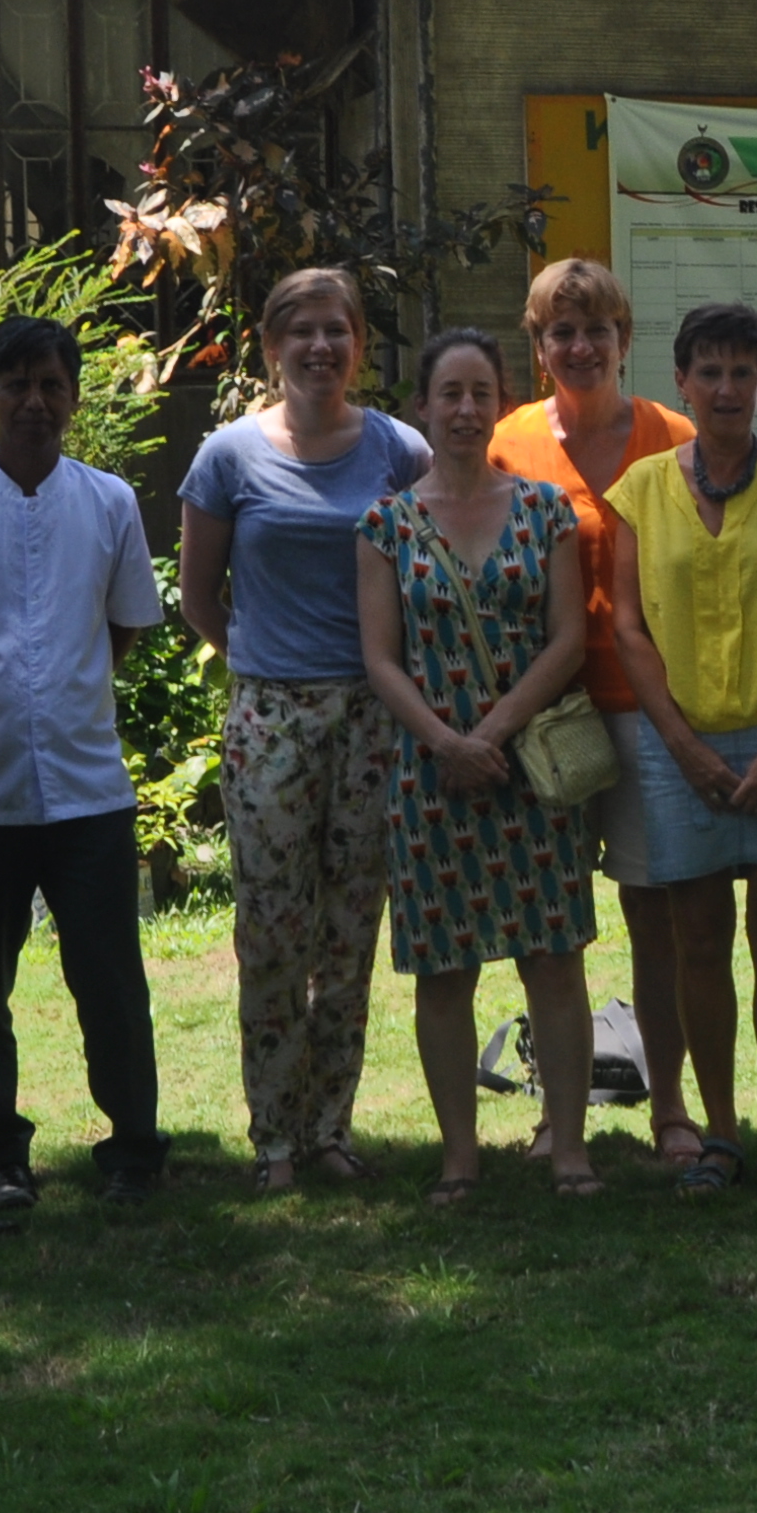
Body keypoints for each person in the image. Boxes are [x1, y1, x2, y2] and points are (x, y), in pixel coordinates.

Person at [179, 267, 431, 1186]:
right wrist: (265, 661)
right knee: (273, 930)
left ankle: (330, 1129)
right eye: (302, 332)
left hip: (375, 717)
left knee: (349, 930)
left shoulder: (400, 451)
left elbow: (434, 567)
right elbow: (202, 596)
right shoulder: (229, 456)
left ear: (360, 344)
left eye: (338, 330)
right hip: (270, 716)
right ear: (270, 345)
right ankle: (274, 1138)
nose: (320, 347)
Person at [351, 327, 602, 1201]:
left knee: (554, 961)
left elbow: (568, 637)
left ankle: (567, 1145)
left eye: (481, 394)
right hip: (429, 775)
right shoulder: (386, 523)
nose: (465, 410)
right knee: (444, 970)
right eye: (448, 394)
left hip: (529, 766)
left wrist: (488, 734)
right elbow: (381, 658)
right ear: (421, 408)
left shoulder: (544, 511)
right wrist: (446, 744)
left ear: (502, 405)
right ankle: (460, 1156)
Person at [610, 301, 757, 1211]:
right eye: (707, 371)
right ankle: (719, 1134)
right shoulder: (638, 491)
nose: (724, 387)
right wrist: (680, 745)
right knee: (696, 944)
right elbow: (629, 627)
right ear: (680, 382)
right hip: (680, 744)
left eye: (741, 372)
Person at [0, 313, 170, 1211]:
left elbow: (123, 629)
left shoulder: (108, 501)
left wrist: (65, 694)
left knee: (109, 978)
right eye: (17, 385)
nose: (35, 402)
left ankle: (136, 1148)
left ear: (73, 397)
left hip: (87, 789)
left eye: (52, 386)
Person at [493, 256, 703, 1164]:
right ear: (539, 348)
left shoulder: (675, 434)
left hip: (650, 711)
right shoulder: (505, 443)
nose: (580, 346)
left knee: (657, 918)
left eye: (596, 330)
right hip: (547, 717)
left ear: (625, 339)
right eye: (560, 332)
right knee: (550, 925)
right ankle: (557, 1111)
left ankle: (672, 1109)